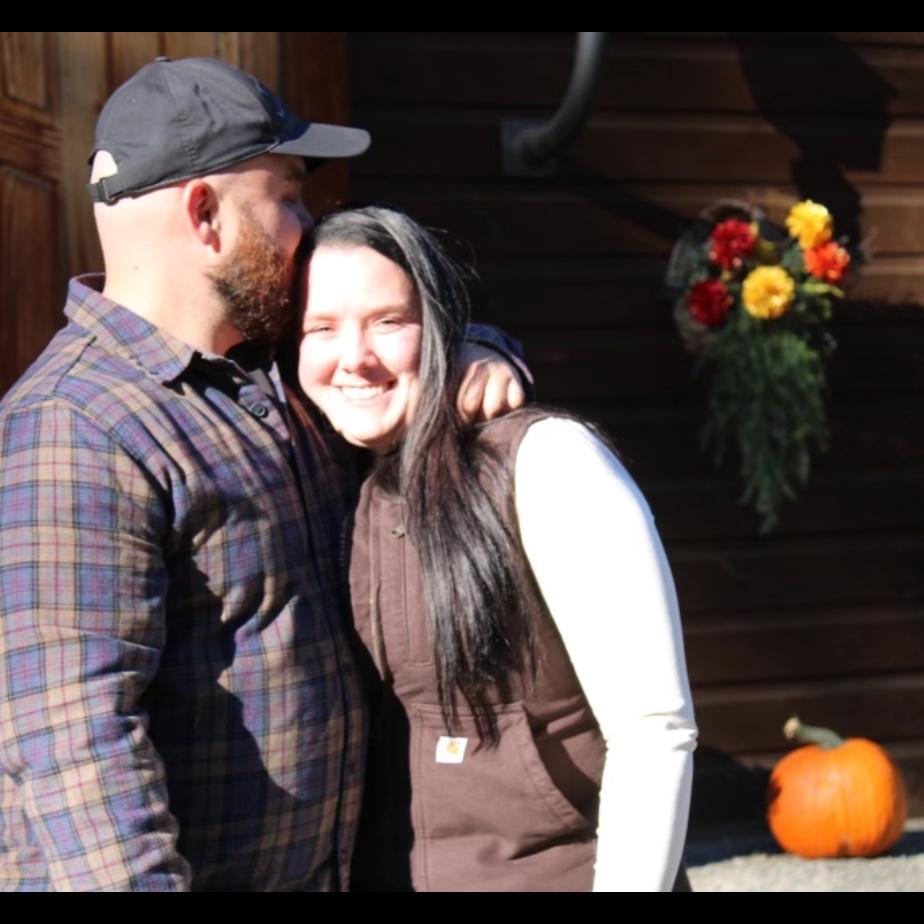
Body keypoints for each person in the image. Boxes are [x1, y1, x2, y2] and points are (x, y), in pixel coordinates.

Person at [0, 57, 524, 891]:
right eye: (287, 196)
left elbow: (397, 344)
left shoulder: (280, 372)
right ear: (205, 214)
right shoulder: (75, 426)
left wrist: (472, 350)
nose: (306, 227)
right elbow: (76, 753)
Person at [297, 206, 698, 892]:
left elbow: (653, 729)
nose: (355, 356)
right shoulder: (326, 476)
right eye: (322, 328)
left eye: (389, 322)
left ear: (438, 328)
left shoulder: (543, 462)